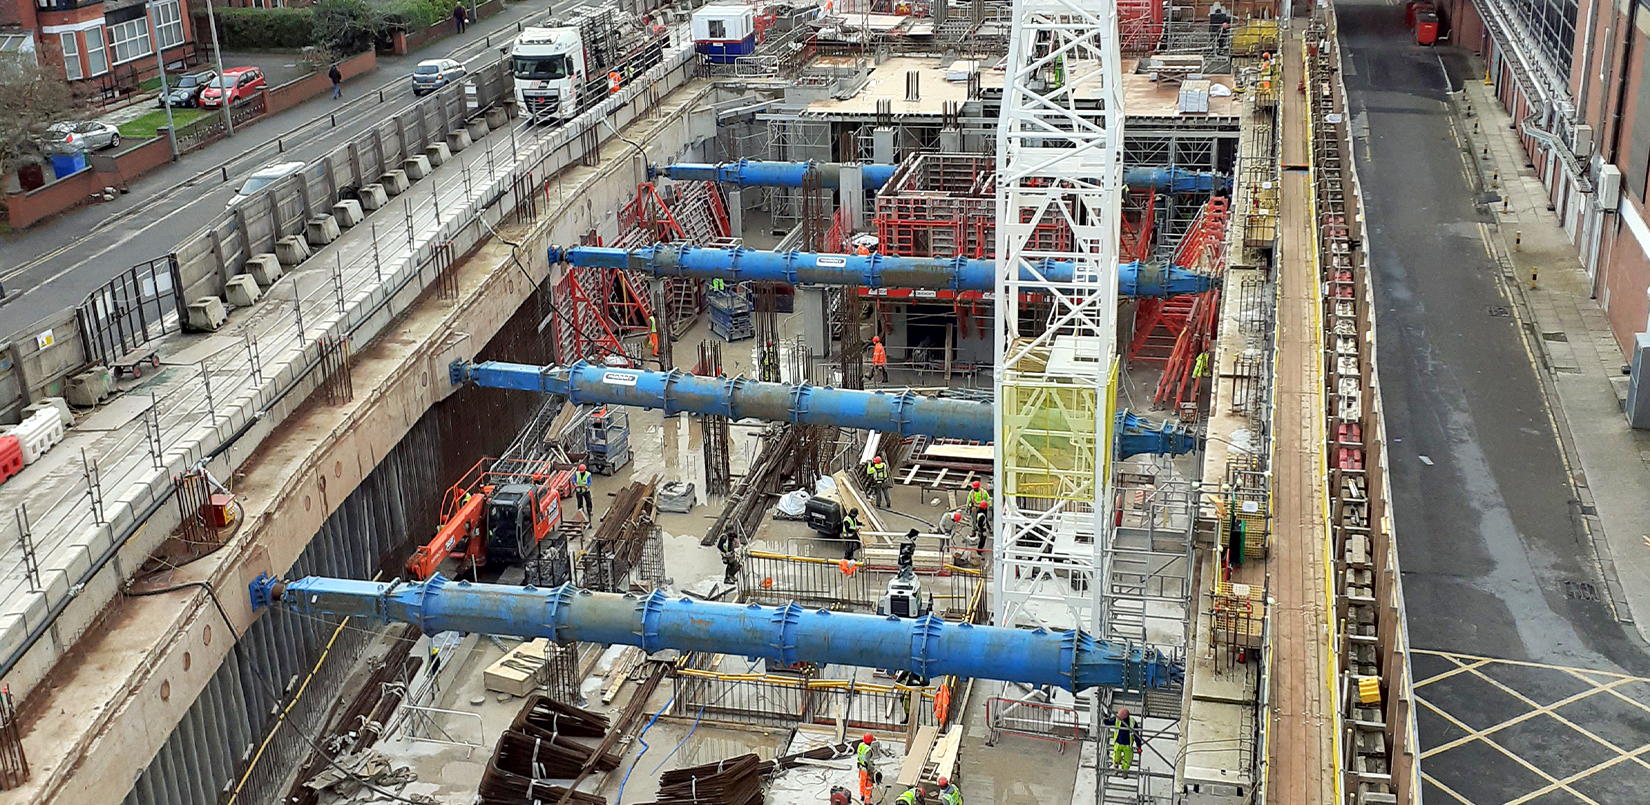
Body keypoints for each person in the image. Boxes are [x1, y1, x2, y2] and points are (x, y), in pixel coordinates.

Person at [1103, 708, 1143, 773]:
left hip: (1127, 745)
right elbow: (1109, 722)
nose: (1118, 716)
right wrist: (1105, 719)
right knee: (1116, 757)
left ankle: (1124, 770)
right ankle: (1116, 766)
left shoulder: (1132, 722)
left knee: (1128, 759)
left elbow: (1136, 735)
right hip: (1118, 743)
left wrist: (1139, 746)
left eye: (1120, 715)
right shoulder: (1117, 720)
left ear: (1124, 716)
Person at [857, 734, 878, 805]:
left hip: (860, 767)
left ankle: (862, 796)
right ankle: (867, 802)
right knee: (868, 785)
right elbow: (867, 762)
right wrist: (873, 768)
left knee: (862, 782)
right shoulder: (868, 750)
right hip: (866, 769)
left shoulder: (861, 745)